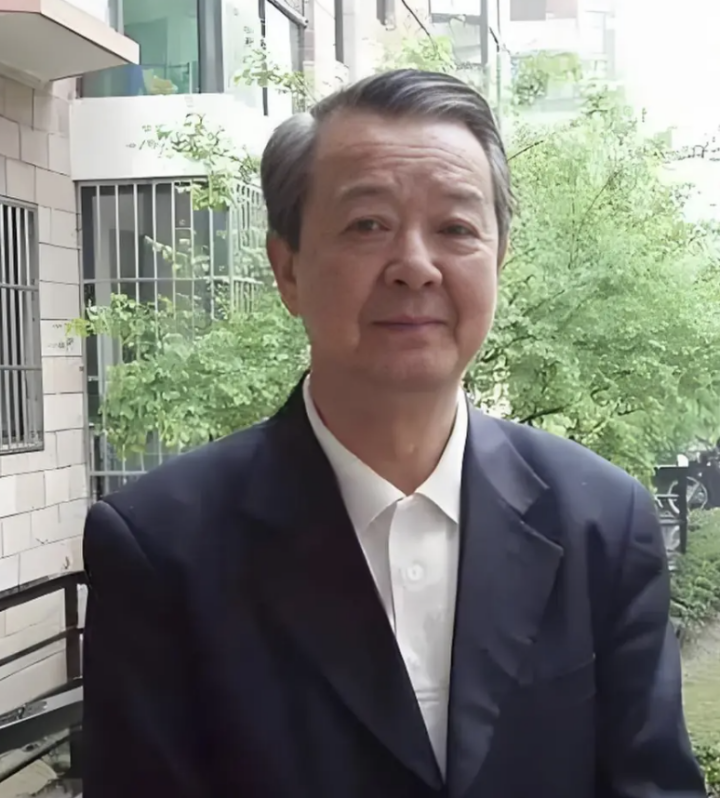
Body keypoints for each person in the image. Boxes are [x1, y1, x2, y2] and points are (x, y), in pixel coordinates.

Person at [82, 69, 706, 798]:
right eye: (367, 225)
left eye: (456, 229)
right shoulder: (161, 548)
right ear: (287, 270)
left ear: (499, 261)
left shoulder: (603, 521)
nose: (415, 266)